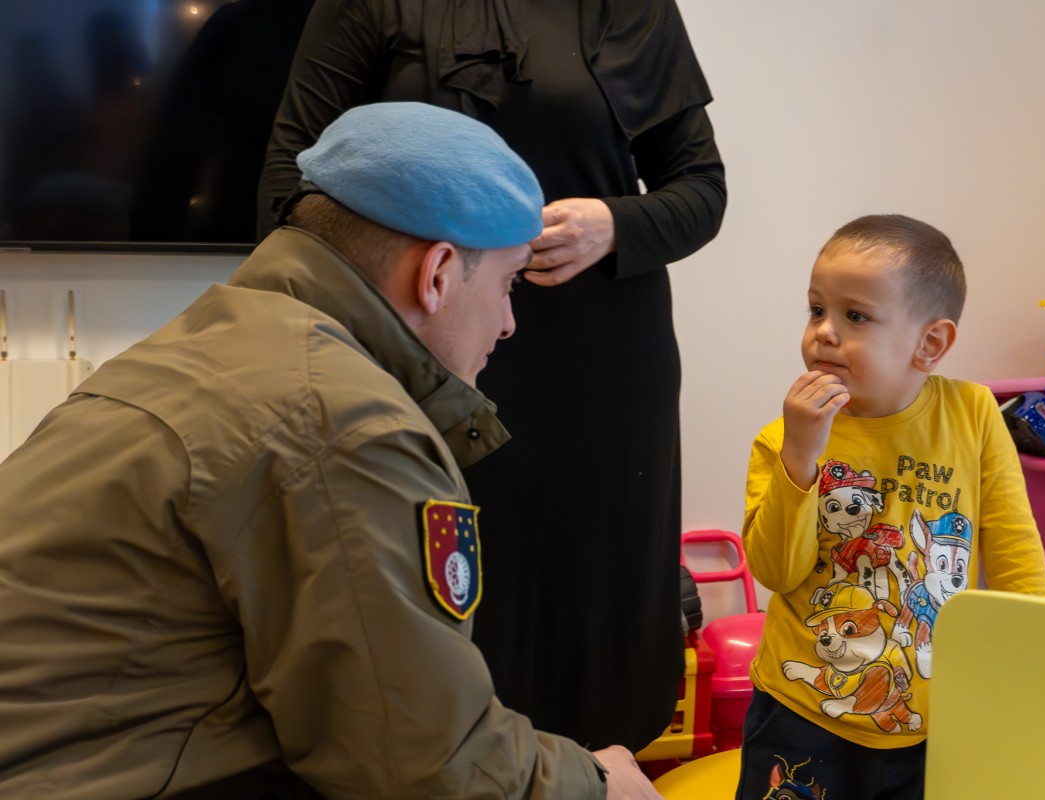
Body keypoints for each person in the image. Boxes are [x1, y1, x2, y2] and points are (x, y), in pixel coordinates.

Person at [0, 102, 662, 800]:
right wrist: (597, 782)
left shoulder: (203, 348)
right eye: (505, 285)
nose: (506, 324)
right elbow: (421, 769)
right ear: (437, 273)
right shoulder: (342, 419)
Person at [257, 0, 727, 753]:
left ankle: (600, 772)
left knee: (597, 618)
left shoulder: (629, 7)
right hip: (419, 355)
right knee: (430, 603)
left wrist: (613, 225)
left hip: (600, 369)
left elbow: (701, 189)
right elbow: (288, 183)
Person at [736, 215, 1045, 799]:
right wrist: (802, 455)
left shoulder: (974, 413)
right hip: (801, 705)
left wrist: (1033, 664)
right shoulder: (782, 439)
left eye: (855, 316)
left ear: (929, 344)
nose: (824, 333)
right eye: (815, 310)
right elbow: (777, 572)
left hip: (930, 711)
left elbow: (1014, 549)